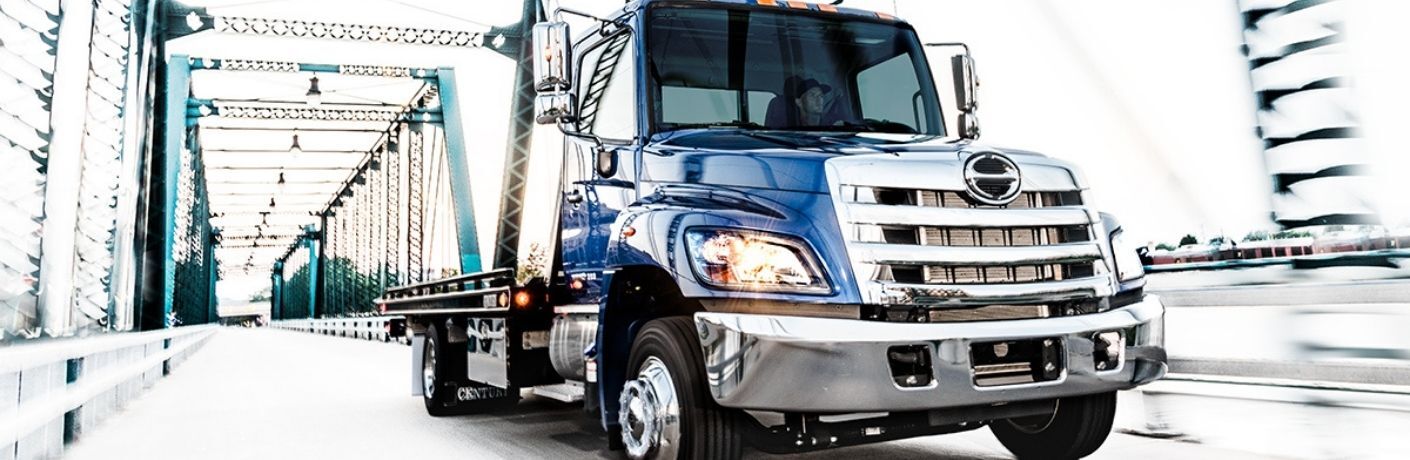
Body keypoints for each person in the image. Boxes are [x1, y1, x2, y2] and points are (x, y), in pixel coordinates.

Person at [765, 76, 850, 128]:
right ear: (799, 102)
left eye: (821, 95)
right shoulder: (788, 130)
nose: (819, 99)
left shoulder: (833, 126)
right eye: (812, 95)